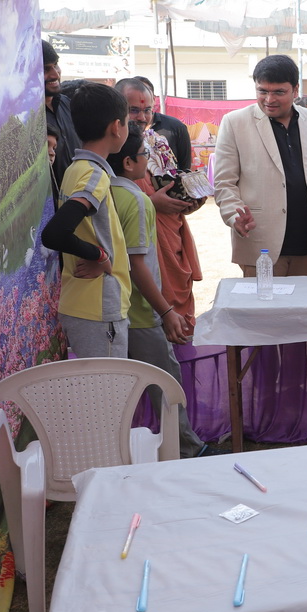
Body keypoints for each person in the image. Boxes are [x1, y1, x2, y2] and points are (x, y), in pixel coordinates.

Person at [109, 123, 219, 457]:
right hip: (143, 311)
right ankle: (187, 448)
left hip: (113, 309)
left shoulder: (104, 192)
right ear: (129, 162)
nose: (149, 162)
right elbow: (137, 265)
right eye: (144, 155)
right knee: (166, 383)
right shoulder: (137, 200)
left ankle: (124, 451)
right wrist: (166, 311)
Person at [213, 55, 307, 276]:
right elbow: (224, 183)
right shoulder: (235, 123)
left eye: (279, 92)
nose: (269, 99)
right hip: (260, 242)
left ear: (295, 90)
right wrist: (234, 216)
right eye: (262, 91)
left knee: (306, 298)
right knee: (262, 300)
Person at [39, 82, 132, 357]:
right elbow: (55, 233)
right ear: (116, 127)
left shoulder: (76, 168)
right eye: (127, 122)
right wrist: (99, 255)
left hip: (83, 303)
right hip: (98, 307)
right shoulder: (94, 175)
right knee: (108, 384)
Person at [116, 78, 204, 319]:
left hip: (172, 232)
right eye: (134, 110)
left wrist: (187, 201)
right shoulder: (113, 148)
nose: (142, 117)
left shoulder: (157, 142)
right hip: (141, 241)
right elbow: (112, 203)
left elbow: (177, 179)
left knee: (180, 300)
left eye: (147, 110)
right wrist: (152, 204)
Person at [43, 39, 82, 188]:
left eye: (56, 65)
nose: (55, 74)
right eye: (46, 69)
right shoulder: (25, 117)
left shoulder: (70, 105)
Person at [135, 75, 194, 171]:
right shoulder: (122, 131)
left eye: (145, 92)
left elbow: (185, 168)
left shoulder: (176, 127)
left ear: (153, 99)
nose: (141, 98)